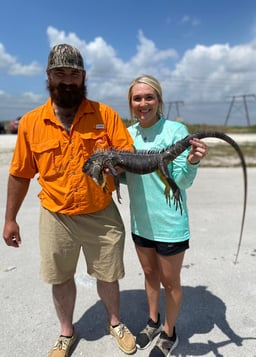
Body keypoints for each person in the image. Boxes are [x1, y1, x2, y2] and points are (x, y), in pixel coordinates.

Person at [2, 44, 136, 357]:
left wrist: (116, 162)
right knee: (60, 277)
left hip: (100, 211)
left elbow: (127, 155)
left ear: (83, 76)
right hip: (55, 213)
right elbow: (20, 174)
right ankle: (66, 332)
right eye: (60, 73)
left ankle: (114, 322)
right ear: (48, 75)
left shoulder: (105, 115)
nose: (67, 80)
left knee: (109, 273)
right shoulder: (33, 122)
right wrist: (10, 218)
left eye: (73, 73)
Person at [125, 75, 208, 357]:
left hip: (170, 223)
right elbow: (130, 179)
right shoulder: (128, 134)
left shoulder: (175, 130)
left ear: (159, 100)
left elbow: (182, 182)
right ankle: (153, 321)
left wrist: (193, 161)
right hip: (140, 221)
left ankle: (169, 332)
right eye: (137, 98)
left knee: (170, 282)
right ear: (131, 103)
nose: (143, 103)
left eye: (149, 97)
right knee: (149, 274)